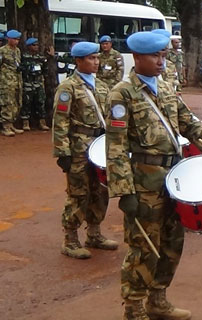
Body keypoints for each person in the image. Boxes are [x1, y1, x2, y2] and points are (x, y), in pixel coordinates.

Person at [105, 31, 202, 319]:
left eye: (163, 56)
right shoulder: (122, 94)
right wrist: (123, 191)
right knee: (144, 247)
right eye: (155, 56)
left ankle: (158, 299)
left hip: (174, 177)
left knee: (173, 242)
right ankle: (134, 306)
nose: (161, 61)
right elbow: (116, 145)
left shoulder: (167, 86)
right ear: (137, 58)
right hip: (144, 182)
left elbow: (189, 123)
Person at [52, 41, 117, 260]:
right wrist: (63, 152)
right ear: (78, 61)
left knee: (100, 190)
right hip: (78, 147)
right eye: (91, 58)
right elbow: (60, 121)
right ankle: (70, 239)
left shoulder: (101, 86)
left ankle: (94, 234)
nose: (96, 62)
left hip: (99, 147)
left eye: (97, 58)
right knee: (78, 192)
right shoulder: (67, 88)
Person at [20, 38, 50, 131]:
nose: (36, 47)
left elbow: (45, 70)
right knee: (26, 103)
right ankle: (25, 122)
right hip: (28, 83)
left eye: (37, 45)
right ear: (29, 46)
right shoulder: (23, 57)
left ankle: (42, 122)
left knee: (40, 102)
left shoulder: (41, 57)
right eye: (34, 45)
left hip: (38, 84)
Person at [0, 29, 23, 137]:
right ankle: (6, 126)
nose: (16, 41)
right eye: (14, 39)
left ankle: (12, 123)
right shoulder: (2, 51)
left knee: (16, 101)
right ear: (8, 39)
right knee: (7, 102)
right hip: (6, 80)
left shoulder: (17, 51)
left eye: (18, 39)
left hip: (16, 79)